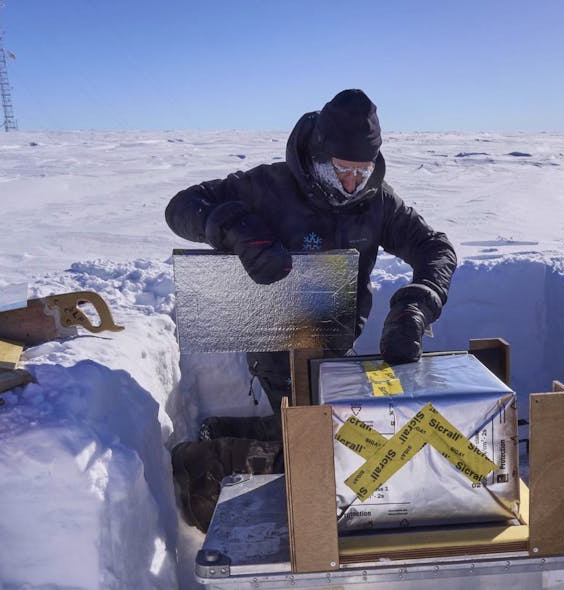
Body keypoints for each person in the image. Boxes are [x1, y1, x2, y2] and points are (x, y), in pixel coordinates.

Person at [165, 88, 457, 530]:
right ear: (320, 153)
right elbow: (182, 206)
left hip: (335, 342)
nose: (351, 184)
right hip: (272, 340)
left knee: (336, 435)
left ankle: (233, 432)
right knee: (317, 448)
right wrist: (238, 230)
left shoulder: (376, 200)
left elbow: (436, 248)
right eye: (343, 170)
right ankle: (199, 467)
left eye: (362, 172)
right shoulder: (268, 186)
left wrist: (417, 304)